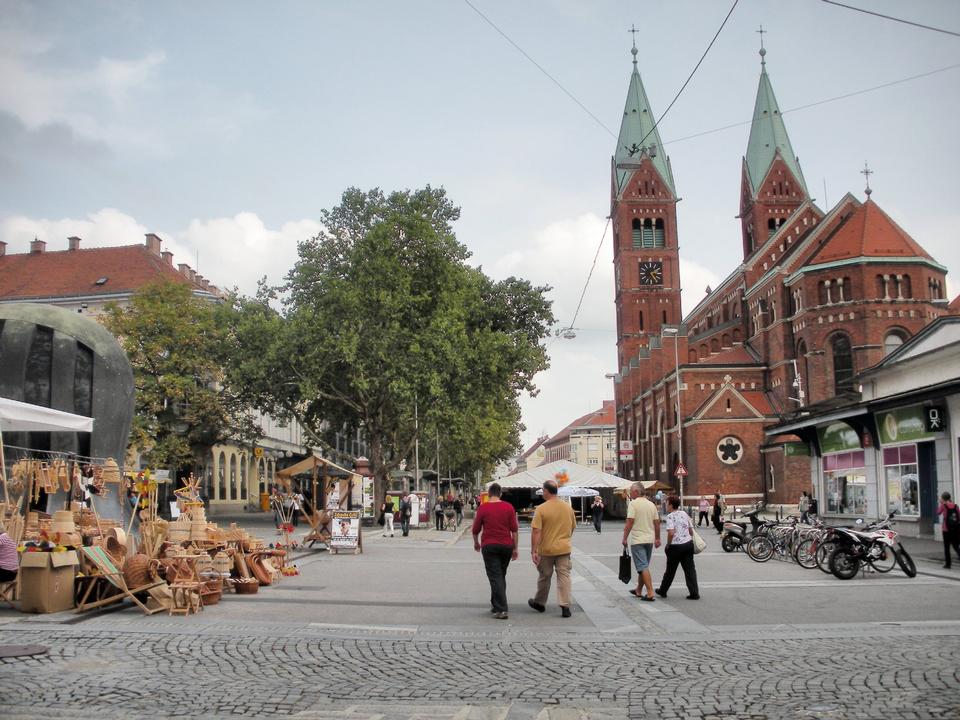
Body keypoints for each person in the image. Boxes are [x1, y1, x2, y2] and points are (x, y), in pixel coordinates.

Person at [528, 479, 577, 617]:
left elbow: (536, 531)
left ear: (547, 491)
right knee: (564, 576)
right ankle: (565, 605)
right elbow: (572, 527)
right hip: (564, 548)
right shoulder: (568, 508)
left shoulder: (541, 509)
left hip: (547, 549)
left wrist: (534, 550)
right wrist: (566, 539)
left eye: (543, 490)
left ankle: (540, 602)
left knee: (545, 576)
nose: (542, 493)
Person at [472, 482, 519, 620]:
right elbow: (514, 530)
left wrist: (476, 542)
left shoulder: (483, 508)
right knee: (499, 575)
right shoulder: (508, 507)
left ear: (489, 493)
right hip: (506, 546)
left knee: (495, 576)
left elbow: (475, 529)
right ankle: (495, 604)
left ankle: (501, 609)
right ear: (500, 494)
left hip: (489, 546)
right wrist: (515, 548)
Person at [655, 495, 700, 600]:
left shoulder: (670, 516)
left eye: (667, 503)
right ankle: (694, 592)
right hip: (688, 544)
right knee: (690, 570)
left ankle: (663, 590)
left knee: (670, 570)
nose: (666, 505)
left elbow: (671, 533)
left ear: (671, 505)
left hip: (676, 547)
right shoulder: (684, 513)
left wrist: (668, 545)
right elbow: (690, 530)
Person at [622, 482, 661, 602]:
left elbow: (630, 521)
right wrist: (657, 538)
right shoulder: (651, 505)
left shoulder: (633, 504)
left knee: (642, 566)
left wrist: (624, 538)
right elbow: (657, 523)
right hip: (649, 540)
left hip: (638, 540)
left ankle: (650, 592)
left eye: (631, 491)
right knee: (643, 565)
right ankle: (638, 589)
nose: (630, 493)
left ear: (636, 492)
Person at [936, 491, 960, 569]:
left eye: (941, 498)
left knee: (947, 547)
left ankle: (948, 564)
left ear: (943, 499)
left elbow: (938, 512)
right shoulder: (956, 506)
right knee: (956, 545)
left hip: (946, 529)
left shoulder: (943, 506)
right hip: (955, 529)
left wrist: (940, 504)